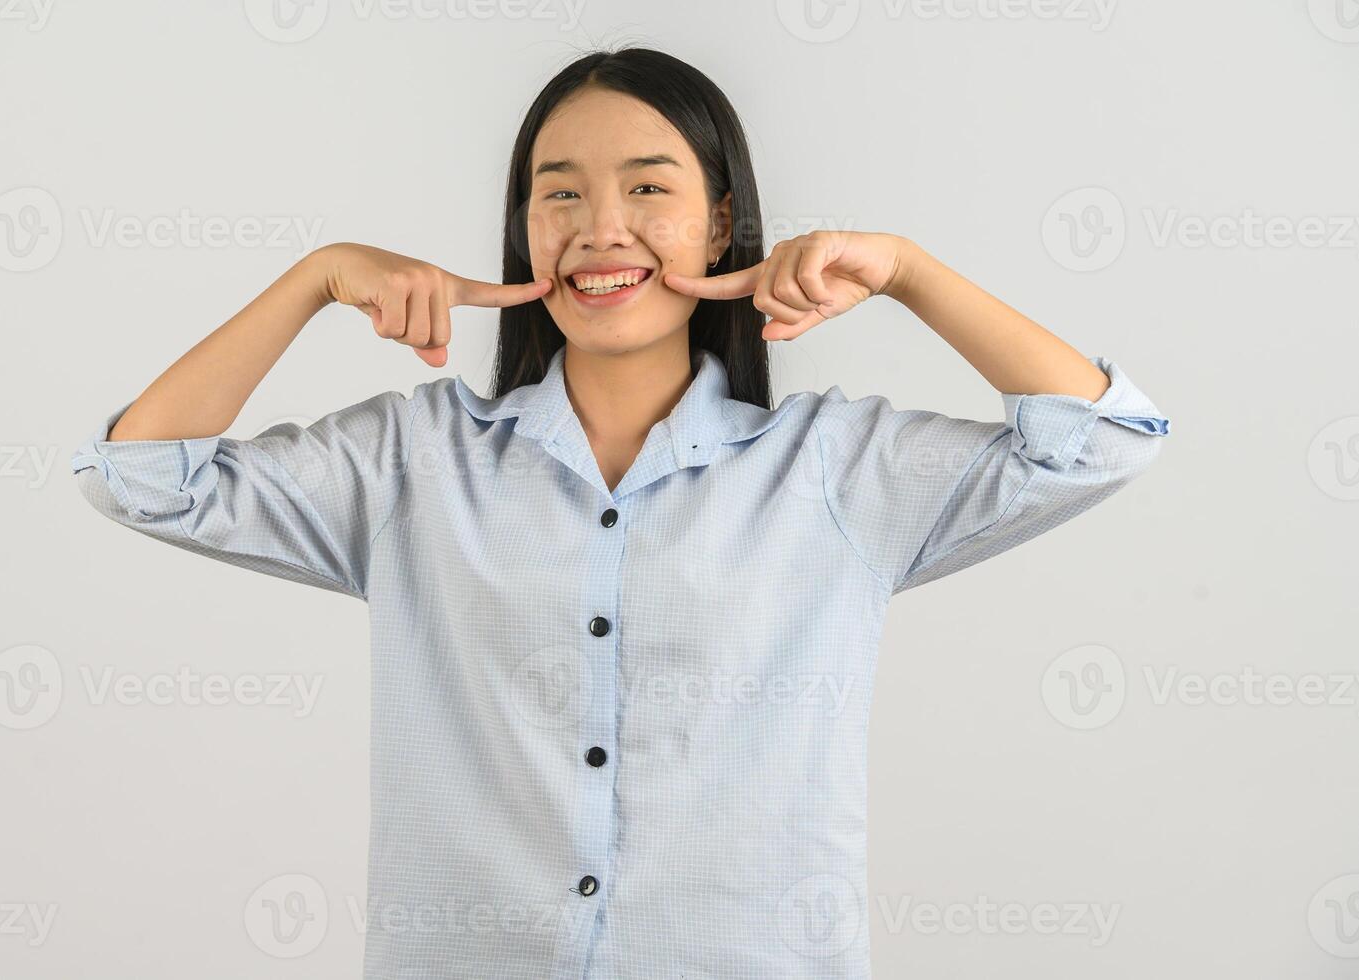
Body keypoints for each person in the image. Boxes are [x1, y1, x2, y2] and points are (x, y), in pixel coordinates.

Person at [71, 45, 1170, 980]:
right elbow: (141, 477)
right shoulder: (413, 461)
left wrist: (907, 271)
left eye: (649, 188)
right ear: (524, 223)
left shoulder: (831, 467)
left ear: (721, 219)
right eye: (560, 192)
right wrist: (313, 279)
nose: (602, 228)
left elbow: (1104, 439)